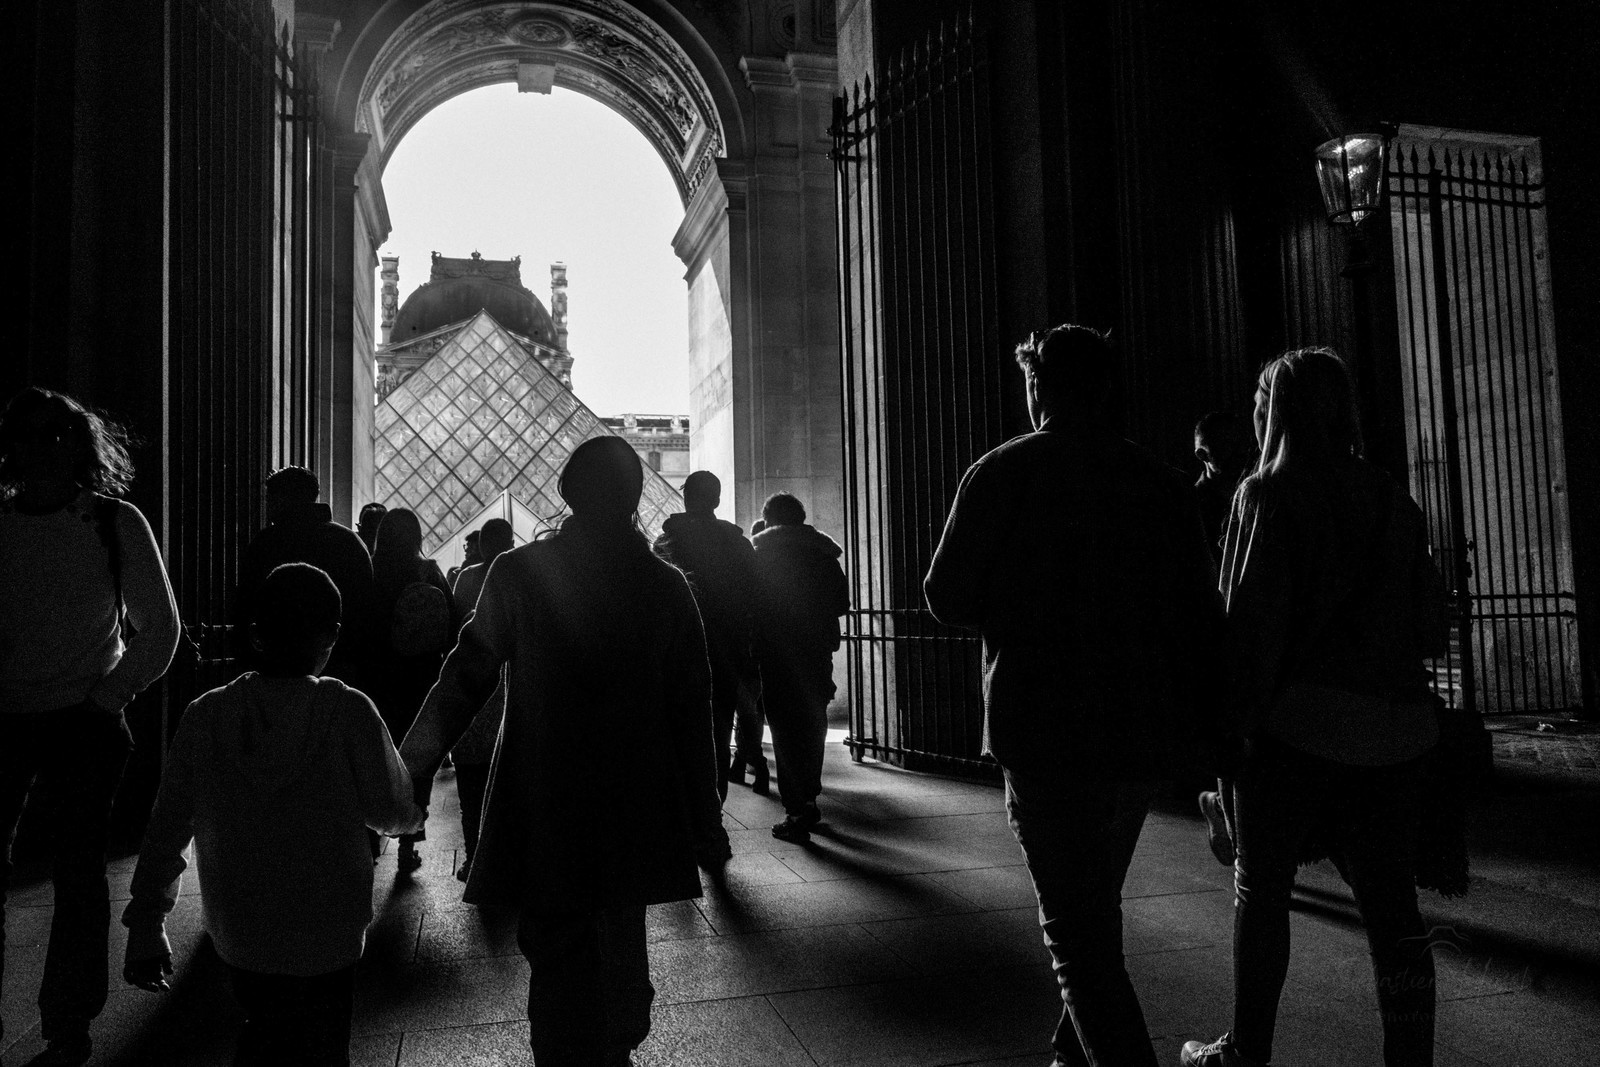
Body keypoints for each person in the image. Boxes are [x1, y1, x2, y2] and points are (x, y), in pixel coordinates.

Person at [924, 325, 1222, 1067]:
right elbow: (1197, 609)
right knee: (1093, 908)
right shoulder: (1159, 482)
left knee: (1073, 933)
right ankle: (1070, 1053)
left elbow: (945, 594)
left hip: (1041, 722)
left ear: (1038, 387)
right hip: (1139, 727)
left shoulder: (1001, 471)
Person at [398, 436, 728, 1067]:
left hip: (542, 794)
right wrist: (705, 823)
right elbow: (692, 715)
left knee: (553, 953)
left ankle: (568, 1046)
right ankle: (617, 1037)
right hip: (630, 800)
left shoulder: (519, 573)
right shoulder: (665, 587)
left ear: (566, 492)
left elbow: (464, 676)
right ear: (634, 497)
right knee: (620, 939)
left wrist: (407, 763)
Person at [1181, 348, 1446, 1067]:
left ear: (1279, 412)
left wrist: (1228, 728)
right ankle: (1411, 1056)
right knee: (1396, 913)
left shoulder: (1264, 494)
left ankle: (1246, 1048)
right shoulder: (1394, 498)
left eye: (1263, 402)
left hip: (1296, 729)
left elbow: (1250, 628)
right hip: (1393, 730)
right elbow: (1429, 627)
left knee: (1261, 890)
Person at [121, 563, 423, 1067]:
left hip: (242, 930)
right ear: (333, 636)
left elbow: (167, 826)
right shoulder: (349, 710)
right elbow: (389, 809)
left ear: (256, 635)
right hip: (332, 928)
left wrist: (147, 922)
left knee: (260, 1031)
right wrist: (414, 816)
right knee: (326, 1045)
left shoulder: (206, 715)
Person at [0, 386, 181, 1067]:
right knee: (79, 877)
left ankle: (69, 1025)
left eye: (55, 434)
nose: (44, 446)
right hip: (28, 716)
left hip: (81, 719)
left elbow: (160, 628)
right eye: (29, 433)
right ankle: (68, 1025)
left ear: (77, 444)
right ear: (10, 445)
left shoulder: (112, 521)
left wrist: (105, 700)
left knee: (79, 876)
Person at [652, 471, 764, 798]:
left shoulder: (665, 545)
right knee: (717, 735)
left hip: (678, 656)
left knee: (679, 735)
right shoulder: (739, 545)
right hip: (728, 652)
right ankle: (713, 810)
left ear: (685, 498)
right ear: (716, 499)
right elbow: (758, 598)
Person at [751, 493, 849, 841]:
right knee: (813, 723)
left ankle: (797, 809)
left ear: (769, 518)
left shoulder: (761, 554)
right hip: (816, 650)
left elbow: (752, 605)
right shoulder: (823, 553)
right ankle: (809, 794)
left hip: (776, 652)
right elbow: (842, 602)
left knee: (784, 730)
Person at [370, 507, 453, 872]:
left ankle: (370, 837)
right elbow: (450, 623)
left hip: (378, 677)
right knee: (416, 759)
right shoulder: (429, 570)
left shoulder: (370, 572)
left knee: (373, 756)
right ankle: (408, 845)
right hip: (420, 678)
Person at [238, 467, 375, 686]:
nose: (268, 507)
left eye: (270, 498)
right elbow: (364, 610)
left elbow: (246, 605)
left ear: (283, 499)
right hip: (339, 665)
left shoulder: (266, 544)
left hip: (274, 668)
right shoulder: (350, 543)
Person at [1192, 411, 1257, 867]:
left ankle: (1231, 822)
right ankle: (1239, 838)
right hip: (1220, 625)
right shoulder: (1201, 502)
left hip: (1229, 624)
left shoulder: (1232, 495)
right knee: (1230, 739)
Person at [447, 517, 514, 882]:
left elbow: (457, 632)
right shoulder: (523, 574)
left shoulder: (467, 578)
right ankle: (504, 855)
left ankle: (474, 857)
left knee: (470, 788)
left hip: (475, 689)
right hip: (506, 690)